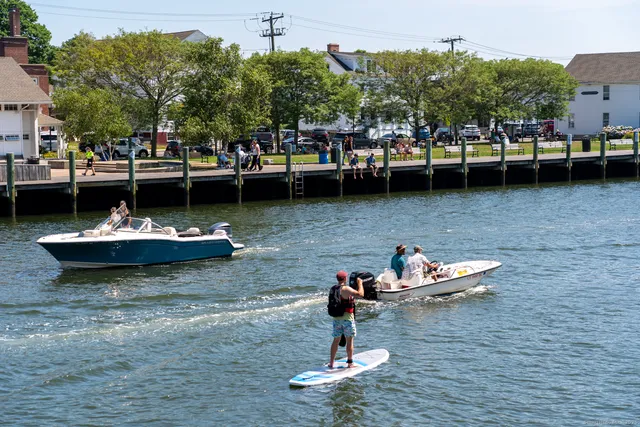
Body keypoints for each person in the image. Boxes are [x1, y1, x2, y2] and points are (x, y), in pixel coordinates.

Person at [329, 270, 364, 369]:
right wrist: (360, 284)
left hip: (336, 319)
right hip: (347, 319)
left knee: (336, 340)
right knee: (350, 341)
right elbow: (360, 294)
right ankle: (350, 363)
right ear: (345, 278)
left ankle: (331, 363)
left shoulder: (333, 289)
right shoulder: (346, 289)